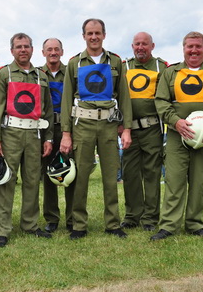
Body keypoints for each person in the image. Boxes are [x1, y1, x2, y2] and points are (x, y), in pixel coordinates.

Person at [151, 31, 203, 240]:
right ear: (183, 48)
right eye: (190, 46)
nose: (194, 50)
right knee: (174, 179)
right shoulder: (171, 72)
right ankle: (169, 225)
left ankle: (195, 224)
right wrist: (175, 121)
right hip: (176, 135)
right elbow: (161, 101)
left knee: (200, 181)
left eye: (198, 46)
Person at [60, 18, 132, 240]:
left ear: (104, 35)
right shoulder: (75, 63)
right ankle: (79, 225)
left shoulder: (116, 62)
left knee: (110, 176)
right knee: (81, 176)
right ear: (83, 36)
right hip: (83, 125)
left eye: (97, 33)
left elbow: (124, 97)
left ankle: (112, 223)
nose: (94, 37)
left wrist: (126, 128)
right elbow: (65, 100)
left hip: (109, 125)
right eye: (89, 33)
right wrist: (66, 133)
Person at [0, 33, 54, 247]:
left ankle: (30, 224)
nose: (23, 50)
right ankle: (2, 229)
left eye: (26, 46)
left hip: (34, 135)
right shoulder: (4, 74)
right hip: (10, 134)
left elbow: (48, 110)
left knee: (32, 180)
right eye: (18, 47)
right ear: (12, 51)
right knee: (6, 181)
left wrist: (49, 138)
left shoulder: (41, 76)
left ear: (33, 49)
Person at [120, 32, 167, 231]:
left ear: (152, 46)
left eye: (144, 44)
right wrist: (121, 127)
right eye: (137, 44)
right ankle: (132, 216)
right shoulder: (125, 67)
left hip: (152, 128)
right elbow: (116, 96)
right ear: (132, 46)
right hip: (129, 129)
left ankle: (150, 218)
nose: (140, 47)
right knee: (129, 173)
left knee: (152, 173)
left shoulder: (162, 67)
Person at [39, 38, 75, 233]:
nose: (53, 52)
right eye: (49, 49)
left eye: (56, 49)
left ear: (62, 51)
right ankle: (51, 217)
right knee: (48, 174)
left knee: (71, 172)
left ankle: (72, 218)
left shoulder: (71, 71)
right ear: (43, 52)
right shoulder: (37, 74)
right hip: (45, 129)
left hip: (68, 128)